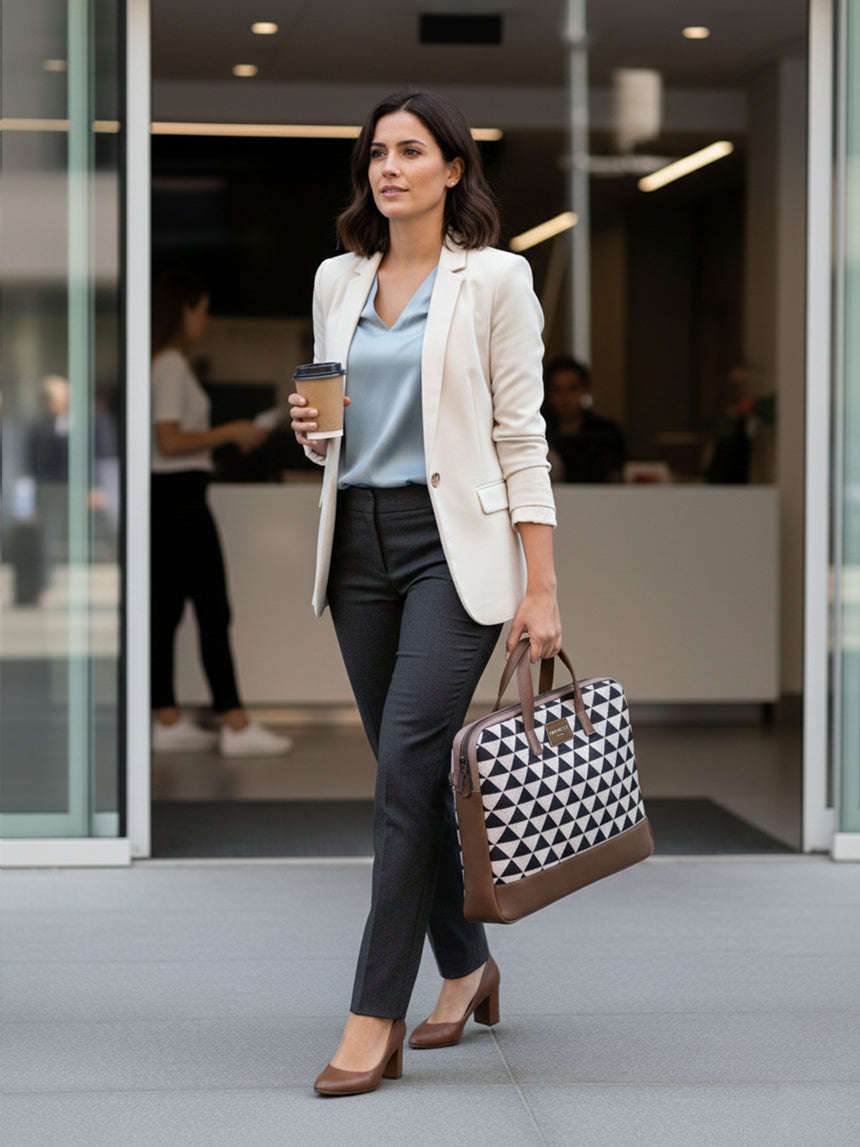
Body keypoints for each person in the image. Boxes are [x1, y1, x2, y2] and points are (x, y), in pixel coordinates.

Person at [289, 90, 561, 1097]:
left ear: (452, 169)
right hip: (356, 543)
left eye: (409, 152)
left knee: (402, 775)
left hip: (453, 551)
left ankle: (371, 1015)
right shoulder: (337, 278)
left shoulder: (494, 279)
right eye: (375, 154)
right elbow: (329, 422)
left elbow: (520, 437)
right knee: (414, 780)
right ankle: (466, 964)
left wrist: (541, 587)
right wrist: (314, 430)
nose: (387, 168)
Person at [150, 271, 292, 757]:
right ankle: (234, 724)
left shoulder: (160, 363)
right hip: (180, 497)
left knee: (166, 612)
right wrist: (231, 431)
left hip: (167, 497)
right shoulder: (169, 364)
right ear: (183, 309)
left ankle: (166, 717)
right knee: (212, 609)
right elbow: (168, 441)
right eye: (202, 309)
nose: (205, 319)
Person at [542, 355, 627, 483]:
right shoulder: (538, 433)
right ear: (547, 392)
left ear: (585, 389)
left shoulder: (606, 434)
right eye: (557, 390)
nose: (565, 397)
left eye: (572, 388)